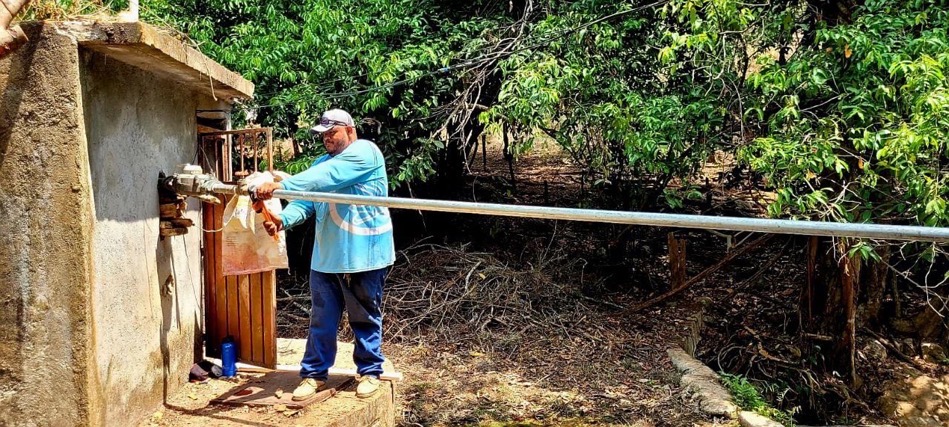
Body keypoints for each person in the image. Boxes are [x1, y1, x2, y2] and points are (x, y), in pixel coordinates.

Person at [254, 108, 395, 400]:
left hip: (364, 254)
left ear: (350, 130)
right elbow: (307, 201)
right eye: (324, 135)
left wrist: (280, 184)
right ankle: (314, 375)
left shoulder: (365, 153)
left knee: (365, 316)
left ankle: (369, 372)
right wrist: (283, 220)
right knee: (322, 319)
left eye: (333, 133)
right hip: (327, 257)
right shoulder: (320, 163)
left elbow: (324, 178)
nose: (328, 139)